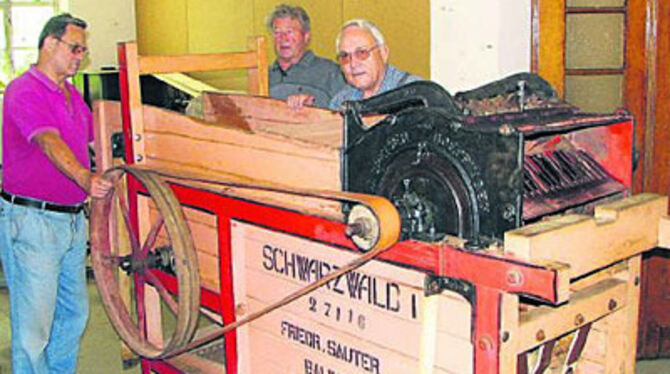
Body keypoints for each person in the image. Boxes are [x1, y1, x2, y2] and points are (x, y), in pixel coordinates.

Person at [0, 13, 112, 373]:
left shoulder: (70, 93)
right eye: (75, 48)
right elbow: (48, 142)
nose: (81, 56)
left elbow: (95, 138)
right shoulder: (24, 90)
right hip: (33, 221)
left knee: (74, 315)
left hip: (70, 222)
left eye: (84, 50)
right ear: (50, 44)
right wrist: (85, 178)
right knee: (34, 330)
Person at [268, 4, 345, 108]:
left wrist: (314, 104)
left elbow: (347, 113)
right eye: (277, 33)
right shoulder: (264, 76)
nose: (283, 38)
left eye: (289, 32)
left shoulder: (330, 72)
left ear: (306, 36)